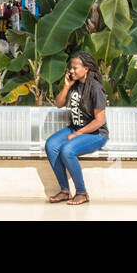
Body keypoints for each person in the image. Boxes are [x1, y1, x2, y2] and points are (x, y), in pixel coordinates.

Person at [44, 52, 108, 206]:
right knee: (51, 145)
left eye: (75, 68)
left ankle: (81, 192)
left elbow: (100, 120)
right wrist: (66, 87)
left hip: (95, 134)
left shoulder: (95, 88)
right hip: (75, 128)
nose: (71, 71)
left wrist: (78, 133)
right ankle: (65, 191)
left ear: (86, 68)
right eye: (70, 68)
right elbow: (59, 104)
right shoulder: (75, 84)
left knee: (67, 150)